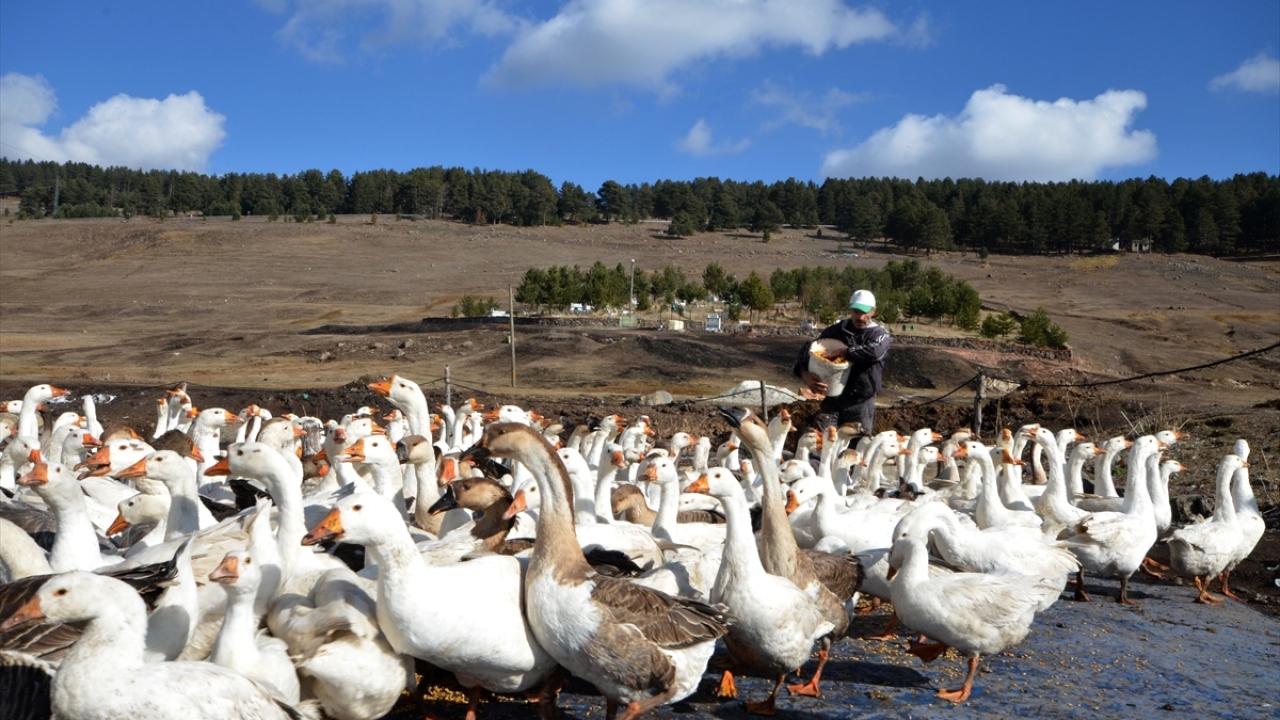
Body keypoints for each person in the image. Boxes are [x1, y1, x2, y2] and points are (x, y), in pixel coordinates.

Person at [794, 289, 890, 434]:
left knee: (858, 447)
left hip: (861, 403)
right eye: (857, 312)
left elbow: (874, 351)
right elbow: (810, 349)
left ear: (874, 311)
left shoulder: (878, 335)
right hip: (833, 399)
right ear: (851, 310)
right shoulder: (836, 331)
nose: (861, 317)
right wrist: (804, 374)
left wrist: (844, 353)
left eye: (866, 313)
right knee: (823, 442)